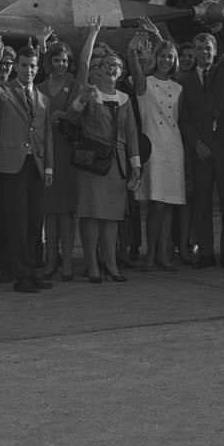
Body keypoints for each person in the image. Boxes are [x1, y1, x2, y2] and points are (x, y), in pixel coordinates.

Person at [66, 22, 141, 284]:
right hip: (92, 163)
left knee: (111, 217)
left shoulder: (124, 99)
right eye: (107, 64)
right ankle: (92, 265)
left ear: (120, 72)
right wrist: (81, 100)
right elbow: (72, 118)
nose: (111, 68)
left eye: (116, 65)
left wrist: (136, 167)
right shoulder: (90, 92)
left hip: (117, 165)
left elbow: (132, 135)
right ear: (99, 70)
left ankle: (111, 264)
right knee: (91, 216)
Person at [0, 36, 56, 293]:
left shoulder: (43, 98)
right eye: (24, 65)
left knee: (35, 221)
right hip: (11, 165)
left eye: (33, 66)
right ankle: (21, 274)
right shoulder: (6, 90)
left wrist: (48, 167)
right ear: (17, 67)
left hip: (35, 166)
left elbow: (46, 134)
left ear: (38, 68)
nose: (29, 70)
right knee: (17, 221)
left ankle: (34, 271)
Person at [178, 0, 224, 267]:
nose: (203, 52)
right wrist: (196, 144)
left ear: (215, 51)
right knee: (202, 204)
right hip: (202, 150)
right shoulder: (184, 81)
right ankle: (205, 252)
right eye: (198, 48)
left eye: (208, 48)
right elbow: (184, 119)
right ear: (193, 52)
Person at [128, 28, 185, 270]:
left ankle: (164, 254)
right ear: (156, 58)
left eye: (171, 57)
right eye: (163, 56)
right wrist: (133, 48)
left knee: (169, 203)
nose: (166, 60)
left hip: (173, 147)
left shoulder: (178, 88)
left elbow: (177, 119)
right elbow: (133, 67)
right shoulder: (145, 84)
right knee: (155, 204)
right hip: (153, 147)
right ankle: (150, 254)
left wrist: (162, 37)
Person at [39, 41, 79, 279]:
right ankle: (50, 258)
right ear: (49, 62)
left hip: (66, 151)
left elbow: (76, 113)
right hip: (47, 151)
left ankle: (67, 261)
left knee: (66, 211)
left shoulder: (73, 83)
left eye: (64, 60)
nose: (61, 64)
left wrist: (63, 115)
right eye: (56, 60)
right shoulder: (40, 87)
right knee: (49, 211)